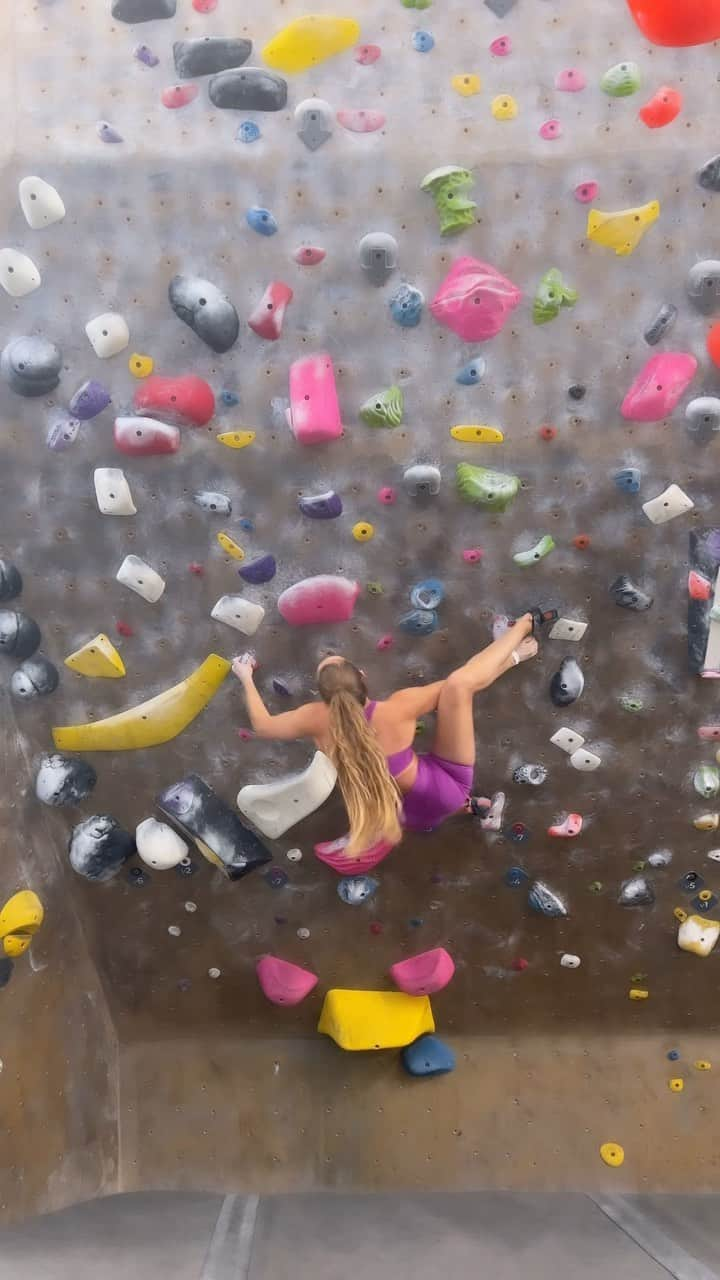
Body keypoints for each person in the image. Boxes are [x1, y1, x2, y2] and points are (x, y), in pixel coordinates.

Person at [232, 611, 540, 856]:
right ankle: (523, 628)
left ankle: (475, 809)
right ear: (363, 678)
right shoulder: (397, 709)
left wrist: (245, 676)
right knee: (460, 685)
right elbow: (466, 683)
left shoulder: (315, 719)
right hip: (445, 785)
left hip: (403, 810)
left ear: (322, 697)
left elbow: (263, 725)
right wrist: (513, 648)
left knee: (433, 804)